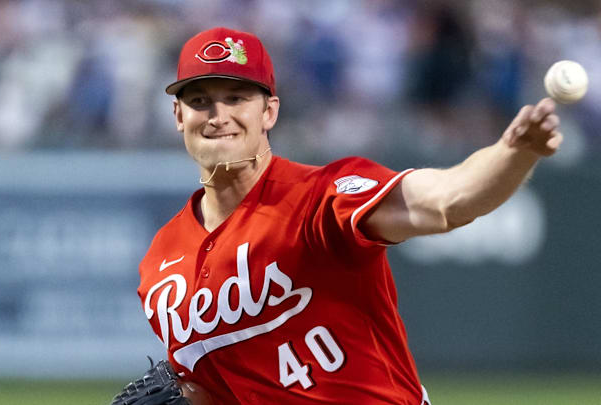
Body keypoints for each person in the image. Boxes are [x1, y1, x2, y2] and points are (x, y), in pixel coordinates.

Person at [136, 27, 562, 405]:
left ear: (269, 111)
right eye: (199, 101)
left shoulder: (323, 196)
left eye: (236, 97)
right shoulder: (160, 266)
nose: (217, 115)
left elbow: (448, 201)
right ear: (179, 116)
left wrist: (514, 153)